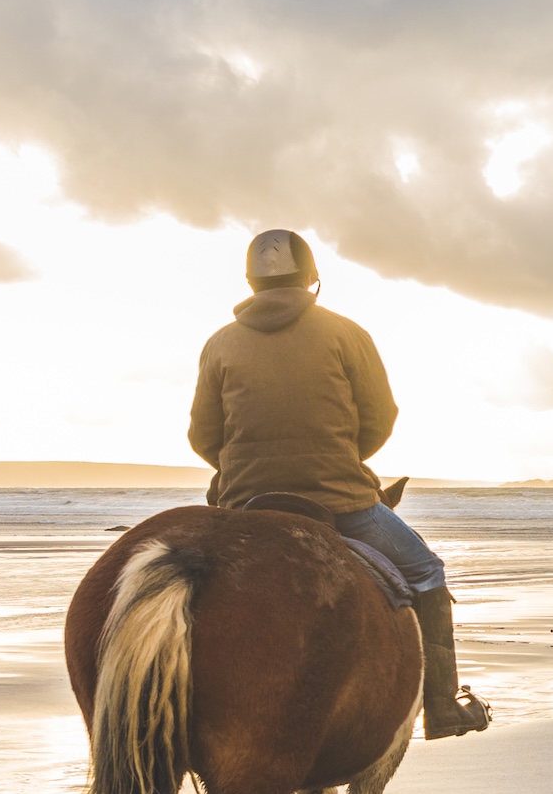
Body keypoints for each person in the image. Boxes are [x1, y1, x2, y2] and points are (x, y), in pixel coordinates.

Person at [188, 228, 490, 737]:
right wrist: (339, 460)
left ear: (250, 281)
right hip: (342, 500)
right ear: (312, 279)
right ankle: (441, 707)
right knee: (426, 574)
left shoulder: (219, 344)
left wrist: (244, 473)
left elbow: (203, 436)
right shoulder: (347, 334)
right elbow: (380, 417)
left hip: (246, 507)